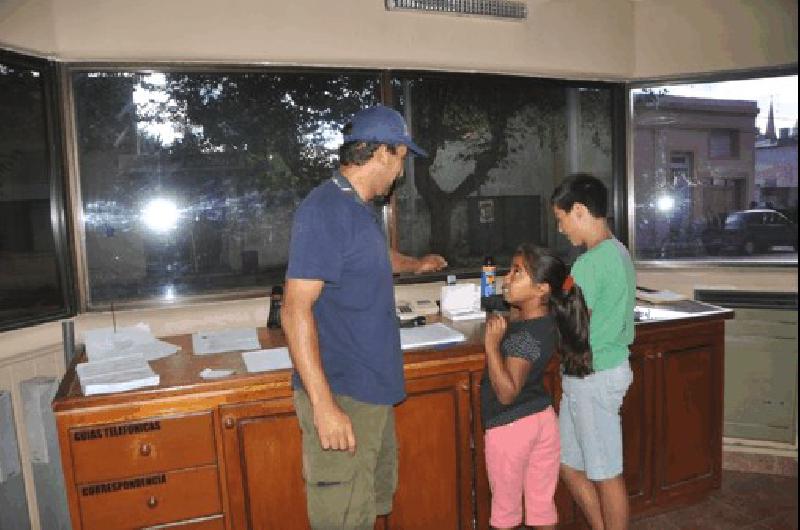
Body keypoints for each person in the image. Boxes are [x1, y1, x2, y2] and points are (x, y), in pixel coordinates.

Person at [281, 104, 447, 530]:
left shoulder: (358, 207)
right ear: (382, 153)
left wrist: (413, 265)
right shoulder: (325, 210)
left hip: (371, 392)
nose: (402, 169)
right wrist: (324, 406)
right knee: (342, 519)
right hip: (344, 394)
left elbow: (367, 256)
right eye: (402, 157)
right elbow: (294, 308)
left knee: (369, 506)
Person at [482, 243, 590, 530]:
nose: (507, 278)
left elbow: (506, 393)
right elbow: (523, 318)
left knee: (505, 513)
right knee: (541, 507)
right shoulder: (547, 320)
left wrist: (492, 347)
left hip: (510, 428)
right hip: (542, 420)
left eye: (517, 272)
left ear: (542, 289)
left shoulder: (524, 338)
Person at [550, 173, 636, 530]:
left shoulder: (590, 263)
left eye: (561, 219)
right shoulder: (618, 251)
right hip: (589, 376)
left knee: (606, 474)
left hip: (594, 378)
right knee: (569, 464)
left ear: (580, 211)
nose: (560, 229)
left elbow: (569, 321)